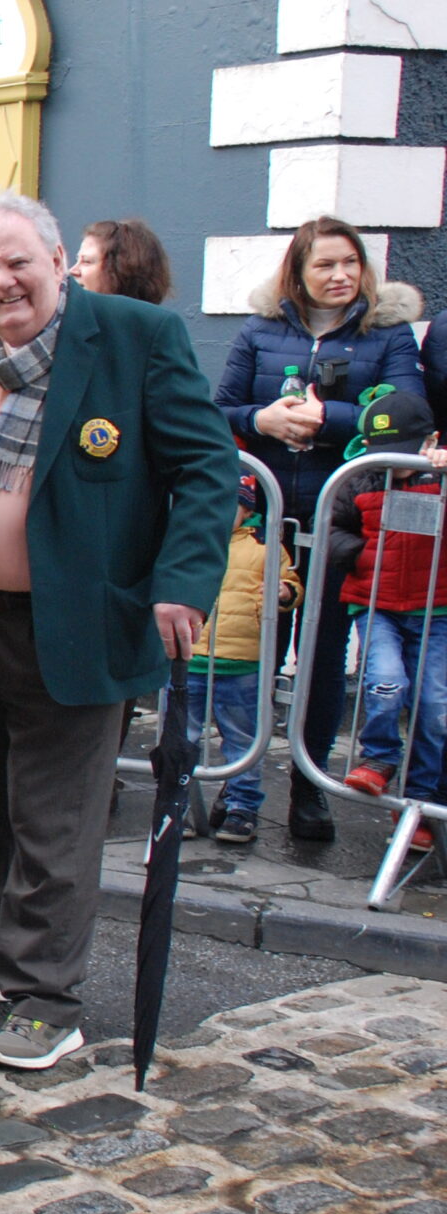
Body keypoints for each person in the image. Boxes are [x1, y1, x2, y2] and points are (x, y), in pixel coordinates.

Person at [0, 191, 238, 1070]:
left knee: (54, 820)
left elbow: (208, 467)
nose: (3, 281)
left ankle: (48, 997)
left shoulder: (133, 338)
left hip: (77, 620)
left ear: (59, 261)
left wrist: (182, 585)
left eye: (19, 262)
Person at [214, 215, 424, 838]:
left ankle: (311, 788)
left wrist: (329, 417)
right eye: (324, 264)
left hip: (343, 520)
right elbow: (220, 407)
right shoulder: (259, 331)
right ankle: (240, 787)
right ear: (298, 273)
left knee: (324, 657)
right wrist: (266, 420)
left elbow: (407, 412)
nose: (339, 275)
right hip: (266, 520)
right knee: (257, 652)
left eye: (349, 263)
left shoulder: (388, 335)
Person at [323, 384, 446, 852]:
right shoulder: (358, 478)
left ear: (430, 442)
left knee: (434, 708)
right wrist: (359, 555)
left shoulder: (439, 474)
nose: (393, 462)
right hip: (377, 608)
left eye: (405, 452)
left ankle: (419, 803)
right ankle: (378, 759)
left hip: (436, 612)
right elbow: (332, 528)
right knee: (385, 683)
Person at [189, 475, 298, 845]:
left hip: (242, 660)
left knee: (243, 738)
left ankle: (242, 807)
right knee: (181, 737)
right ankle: (181, 803)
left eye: (230, 505)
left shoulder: (265, 546)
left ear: (248, 510)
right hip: (191, 656)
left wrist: (285, 592)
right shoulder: (192, 536)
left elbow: (291, 584)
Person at [72, 218, 173, 304]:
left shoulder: (159, 325)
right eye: (78, 260)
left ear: (122, 270)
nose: (72, 271)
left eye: (86, 261)